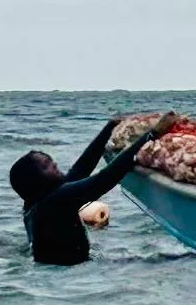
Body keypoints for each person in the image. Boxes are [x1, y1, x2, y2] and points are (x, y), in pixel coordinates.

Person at [9, 111, 179, 266]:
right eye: (47, 165)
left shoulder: (36, 204)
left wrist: (109, 128)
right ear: (35, 181)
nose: (54, 164)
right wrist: (151, 135)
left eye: (50, 160)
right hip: (73, 272)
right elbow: (103, 180)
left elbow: (79, 170)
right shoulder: (55, 201)